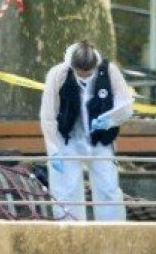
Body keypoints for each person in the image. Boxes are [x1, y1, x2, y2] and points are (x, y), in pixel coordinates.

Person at [39, 40, 134, 221]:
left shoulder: (109, 71)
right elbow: (48, 114)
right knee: (67, 191)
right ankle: (70, 233)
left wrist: (109, 119)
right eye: (80, 74)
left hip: (100, 140)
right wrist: (53, 150)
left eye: (88, 74)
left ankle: (112, 234)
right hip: (68, 140)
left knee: (108, 189)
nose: (84, 77)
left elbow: (126, 105)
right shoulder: (58, 74)